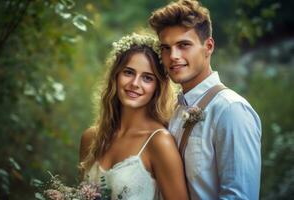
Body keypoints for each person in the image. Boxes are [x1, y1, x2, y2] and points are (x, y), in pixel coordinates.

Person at [149, 0, 262, 199]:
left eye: (183, 45)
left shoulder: (230, 109)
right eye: (166, 48)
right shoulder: (173, 109)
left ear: (208, 46)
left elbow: (239, 196)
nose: (173, 56)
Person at [79, 33, 189, 200]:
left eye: (147, 78)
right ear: (115, 76)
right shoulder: (90, 138)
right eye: (129, 72)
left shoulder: (159, 142)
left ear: (157, 87)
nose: (135, 84)